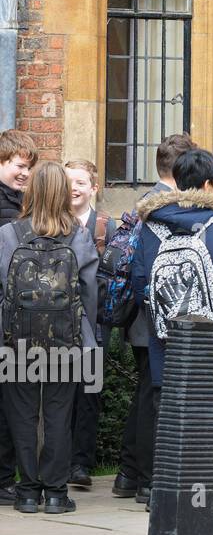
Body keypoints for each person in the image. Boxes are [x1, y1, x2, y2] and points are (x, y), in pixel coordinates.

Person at [131, 147, 213, 515]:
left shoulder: (151, 225)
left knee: (164, 409)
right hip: (210, 337)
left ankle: (158, 490)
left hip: (164, 335)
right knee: (211, 411)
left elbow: (140, 282)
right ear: (210, 184)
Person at [0, 161, 99, 514]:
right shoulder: (78, 235)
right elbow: (89, 293)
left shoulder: (10, 233)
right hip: (65, 337)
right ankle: (56, 493)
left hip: (15, 339)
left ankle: (27, 492)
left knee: (22, 413)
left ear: (32, 191)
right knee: (58, 412)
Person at [114, 132, 196, 504]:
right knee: (153, 398)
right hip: (155, 318)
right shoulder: (162, 208)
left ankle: (129, 472)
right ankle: (147, 478)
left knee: (145, 394)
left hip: (140, 318)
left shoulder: (144, 202)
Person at [64, 158, 116, 489]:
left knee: (89, 395)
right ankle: (59, 459)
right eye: (69, 181)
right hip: (60, 323)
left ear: (93, 188)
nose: (74, 188)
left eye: (81, 182)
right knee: (59, 393)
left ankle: (81, 463)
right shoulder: (52, 223)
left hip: (95, 325)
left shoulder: (105, 227)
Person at [0, 129, 36, 506]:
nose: (24, 173)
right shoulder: (9, 211)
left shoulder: (20, 204)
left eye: (28, 167)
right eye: (17, 165)